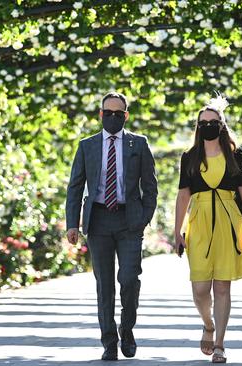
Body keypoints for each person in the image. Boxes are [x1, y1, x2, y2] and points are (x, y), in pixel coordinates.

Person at [65, 91, 158, 361]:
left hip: (130, 221)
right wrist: (73, 223)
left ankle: (127, 329)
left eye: (119, 114)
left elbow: (150, 187)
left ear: (126, 116)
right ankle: (109, 341)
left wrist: (143, 219)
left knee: (129, 279)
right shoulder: (87, 146)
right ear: (100, 114)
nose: (113, 118)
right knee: (104, 284)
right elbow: (75, 186)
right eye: (108, 113)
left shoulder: (138, 144)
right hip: (98, 220)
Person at [173, 94, 242, 364]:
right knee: (199, 289)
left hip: (228, 223)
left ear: (222, 125)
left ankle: (219, 343)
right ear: (198, 127)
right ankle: (207, 324)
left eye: (214, 121)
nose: (208, 126)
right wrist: (177, 231)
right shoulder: (189, 157)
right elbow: (183, 195)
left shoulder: (235, 154)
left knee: (222, 287)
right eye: (203, 122)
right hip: (198, 223)